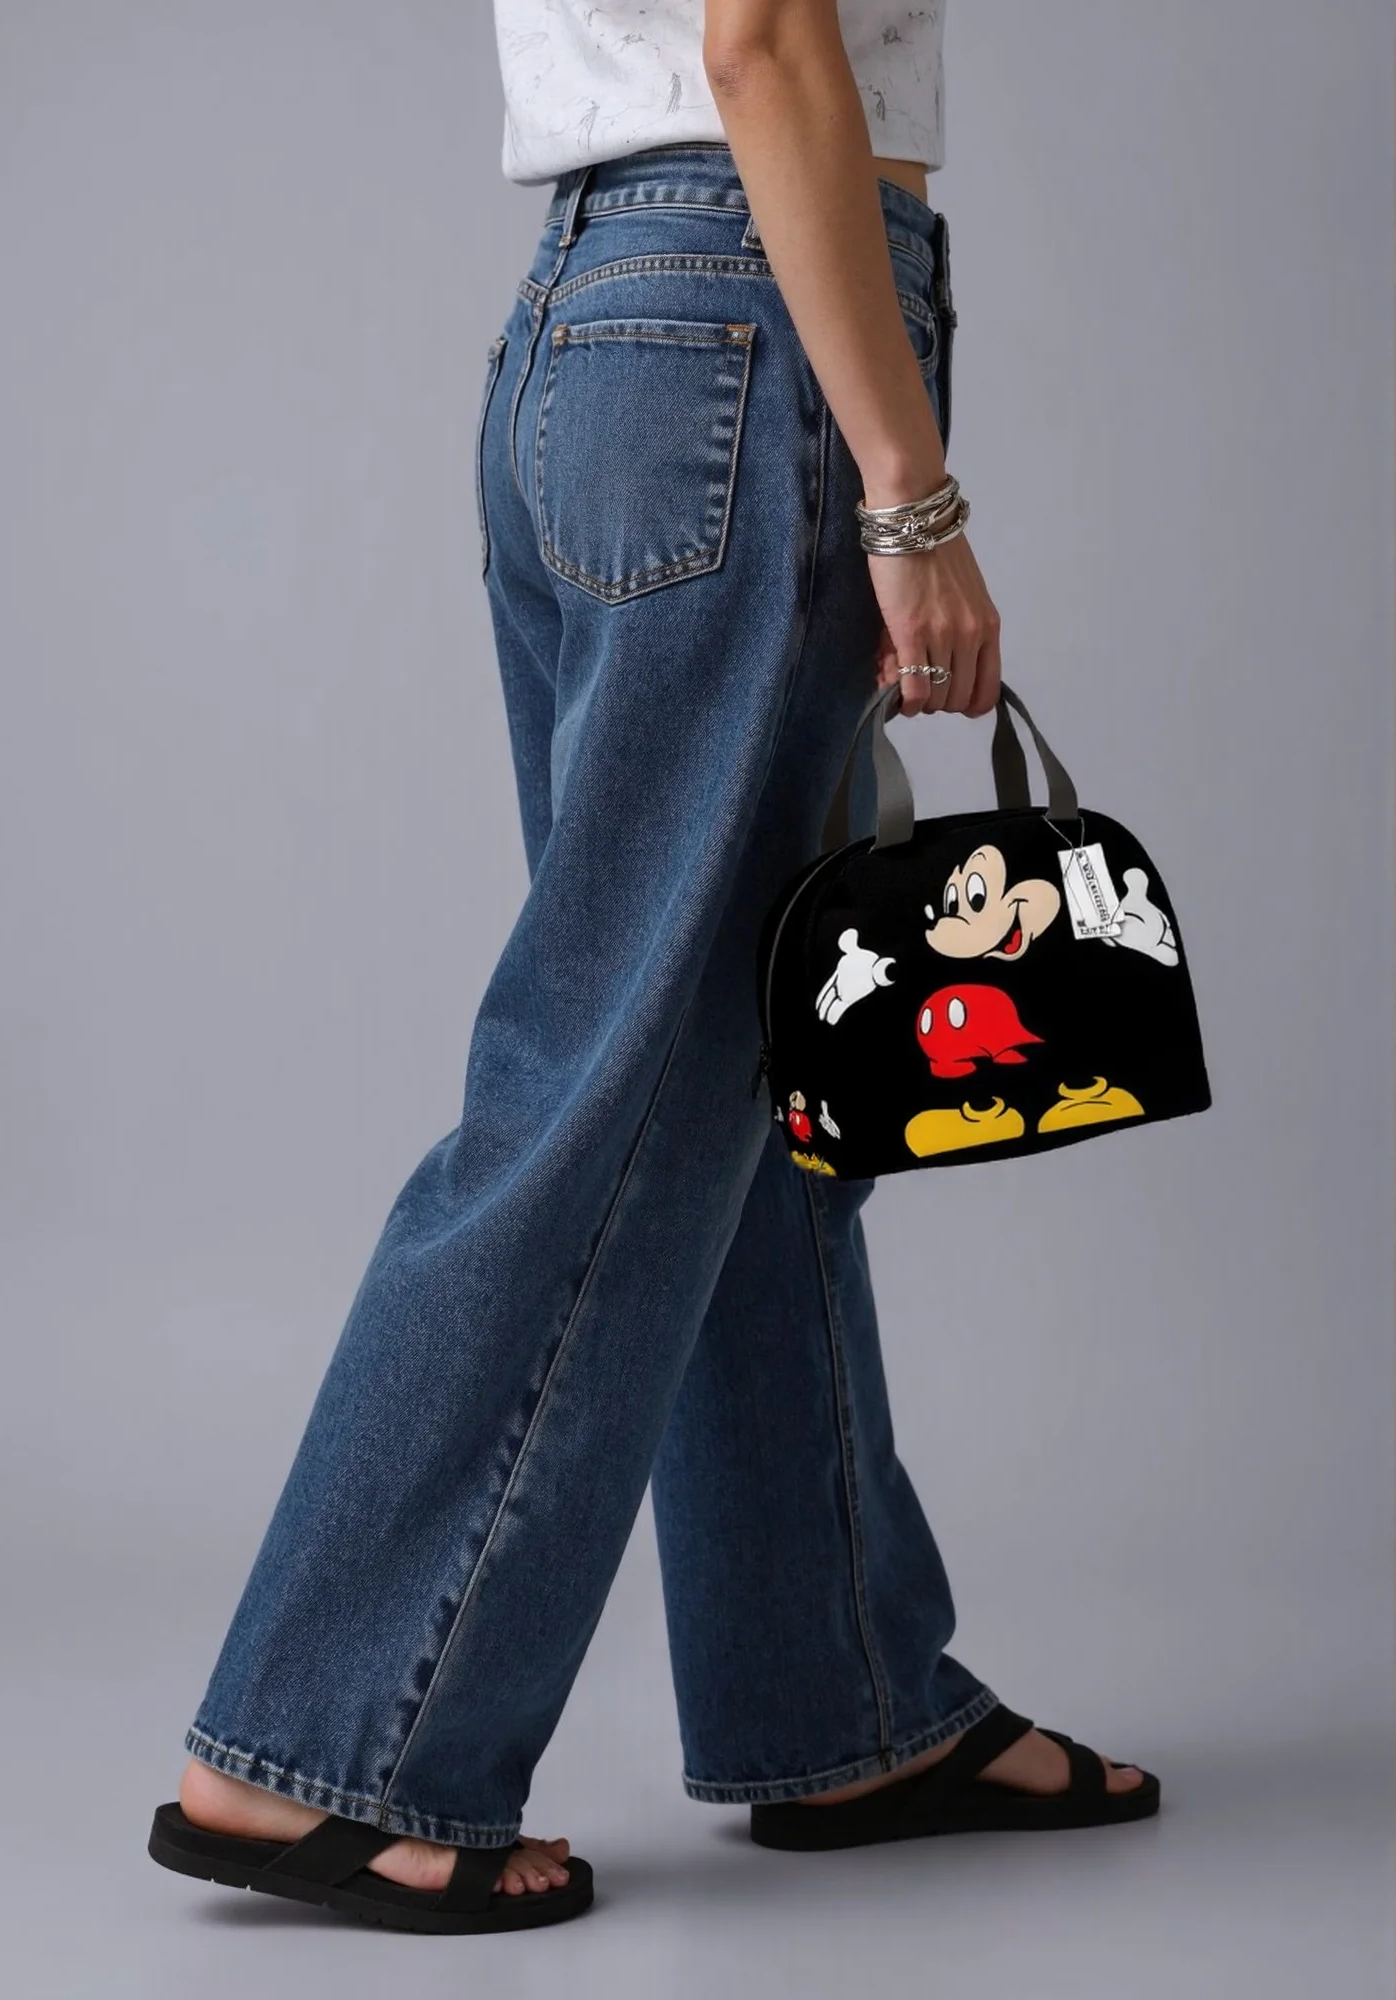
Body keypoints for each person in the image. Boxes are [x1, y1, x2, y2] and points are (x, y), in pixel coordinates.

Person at [147, 0, 1157, 1936]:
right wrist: (910, 491)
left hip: (612, 324)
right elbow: (760, 34)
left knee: (729, 1070)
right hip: (748, 318)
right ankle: (328, 1742)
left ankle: (837, 1702)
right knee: (616, 1073)